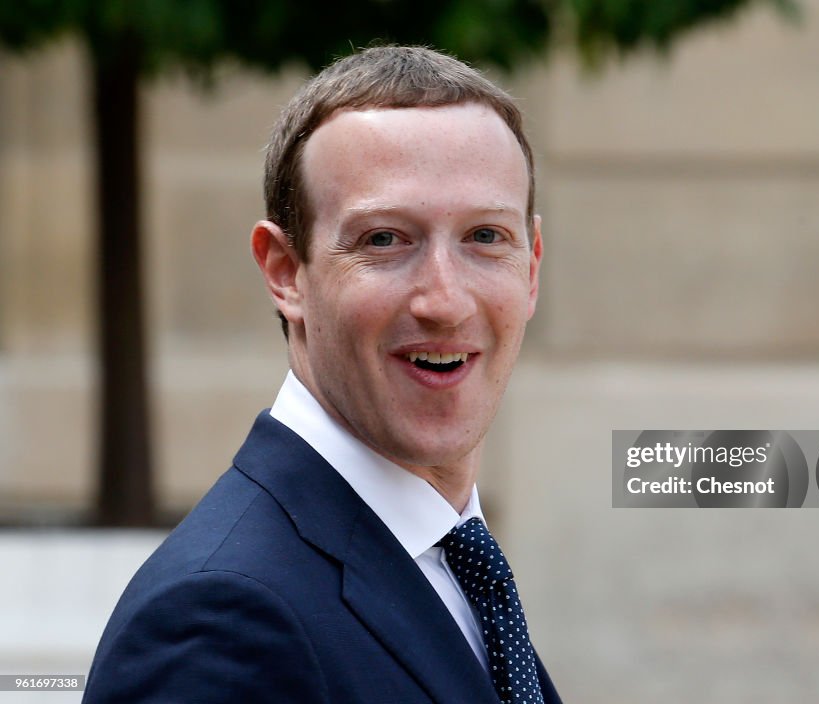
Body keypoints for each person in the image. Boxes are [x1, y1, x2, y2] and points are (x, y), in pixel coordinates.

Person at [83, 45, 560, 704]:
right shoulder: (218, 622)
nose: (444, 301)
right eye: (384, 240)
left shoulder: (455, 567)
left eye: (485, 237)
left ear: (532, 268)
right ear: (284, 272)